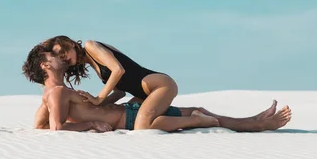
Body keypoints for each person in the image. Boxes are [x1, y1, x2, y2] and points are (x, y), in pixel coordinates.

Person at [22, 42, 292, 133]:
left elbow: (46, 124)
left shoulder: (59, 90)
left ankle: (254, 124)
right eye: (52, 54)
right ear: (45, 65)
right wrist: (90, 124)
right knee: (196, 112)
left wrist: (99, 101)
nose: (61, 56)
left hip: (134, 106)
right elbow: (49, 128)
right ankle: (255, 123)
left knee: (189, 115)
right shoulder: (54, 94)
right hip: (128, 113)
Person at [36, 35, 181, 131]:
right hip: (143, 94)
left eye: (63, 52)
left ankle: (198, 120)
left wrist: (99, 98)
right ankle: (194, 112)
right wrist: (94, 104)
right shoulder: (96, 67)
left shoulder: (91, 46)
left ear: (69, 44)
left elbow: (118, 70)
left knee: (142, 126)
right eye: (60, 57)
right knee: (134, 118)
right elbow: (120, 92)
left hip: (160, 85)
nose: (64, 58)